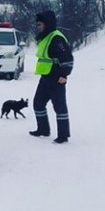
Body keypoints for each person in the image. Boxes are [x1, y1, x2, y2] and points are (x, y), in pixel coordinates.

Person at [29, 10, 74, 144]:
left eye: (40, 24)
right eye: (37, 25)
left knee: (59, 107)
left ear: (47, 24)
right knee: (38, 103)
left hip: (57, 77)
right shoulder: (45, 37)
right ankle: (43, 129)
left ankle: (63, 135)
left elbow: (67, 58)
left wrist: (64, 75)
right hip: (46, 77)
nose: (38, 27)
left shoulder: (56, 38)